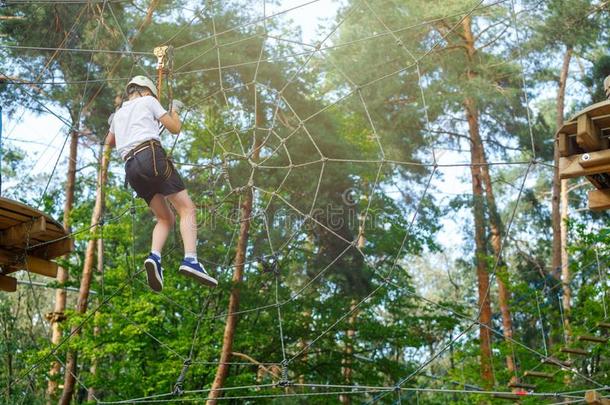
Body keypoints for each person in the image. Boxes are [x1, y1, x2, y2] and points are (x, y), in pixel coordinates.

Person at [105, 75, 218, 292]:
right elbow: (175, 128)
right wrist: (174, 110)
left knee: (165, 218)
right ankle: (191, 260)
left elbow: (109, 143)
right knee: (187, 209)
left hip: (131, 169)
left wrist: (116, 125)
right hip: (150, 157)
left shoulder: (119, 114)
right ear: (147, 91)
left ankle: (154, 257)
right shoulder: (148, 101)